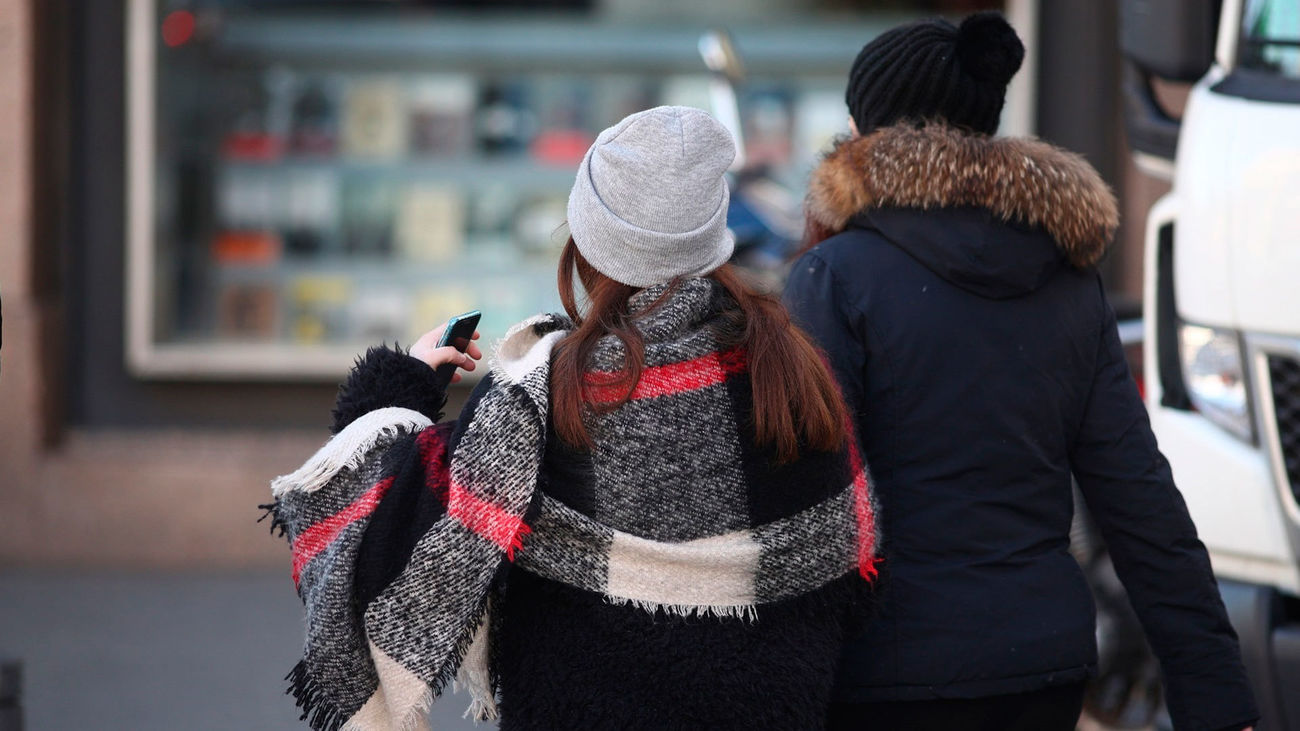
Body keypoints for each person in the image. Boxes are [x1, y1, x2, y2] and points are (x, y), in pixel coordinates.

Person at [266, 106, 879, 731]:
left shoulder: (543, 398)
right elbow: (846, 570)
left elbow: (384, 535)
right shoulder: (796, 374)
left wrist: (399, 389)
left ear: (590, 244)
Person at [782, 12, 1259, 731]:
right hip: (1042, 666)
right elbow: (1140, 501)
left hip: (885, 674)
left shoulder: (834, 278)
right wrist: (1217, 696)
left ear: (864, 131)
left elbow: (807, 508)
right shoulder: (1067, 282)